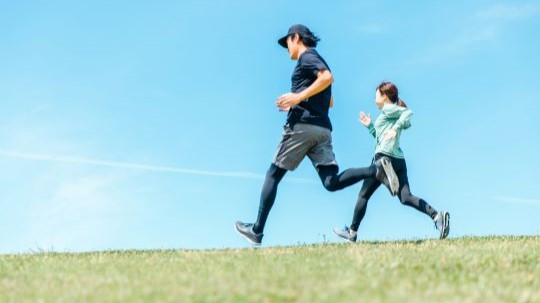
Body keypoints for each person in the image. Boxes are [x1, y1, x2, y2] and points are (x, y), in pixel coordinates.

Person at [235, 25, 399, 245]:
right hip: (322, 130)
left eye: (288, 43)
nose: (287, 49)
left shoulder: (307, 58)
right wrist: (300, 99)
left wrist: (296, 98)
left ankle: (257, 230)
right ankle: (376, 169)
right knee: (331, 182)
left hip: (301, 128)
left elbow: (327, 78)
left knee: (273, 174)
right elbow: (329, 100)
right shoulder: (317, 61)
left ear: (296, 38)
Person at [333, 82, 450, 243]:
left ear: (384, 96)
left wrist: (395, 129)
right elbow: (382, 138)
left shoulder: (389, 109)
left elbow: (408, 113)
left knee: (363, 195)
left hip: (383, 158)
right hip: (398, 160)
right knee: (405, 197)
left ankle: (352, 232)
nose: (374, 100)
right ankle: (437, 216)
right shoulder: (387, 114)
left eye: (376, 96)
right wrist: (370, 127)